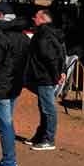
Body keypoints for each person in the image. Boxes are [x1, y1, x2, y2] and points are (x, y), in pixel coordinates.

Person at [0, 1, 30, 166]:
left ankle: (9, 164)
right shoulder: (23, 36)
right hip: (15, 85)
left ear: (0, 15)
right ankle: (9, 162)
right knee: (6, 123)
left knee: (5, 125)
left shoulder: (0, 36)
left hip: (0, 86)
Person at [25, 9, 66, 151]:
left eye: (35, 16)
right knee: (44, 108)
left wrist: (56, 75)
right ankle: (41, 135)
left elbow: (50, 58)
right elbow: (59, 54)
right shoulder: (49, 33)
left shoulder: (44, 35)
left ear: (42, 19)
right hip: (44, 76)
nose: (33, 18)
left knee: (48, 109)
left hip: (45, 77)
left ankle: (49, 139)